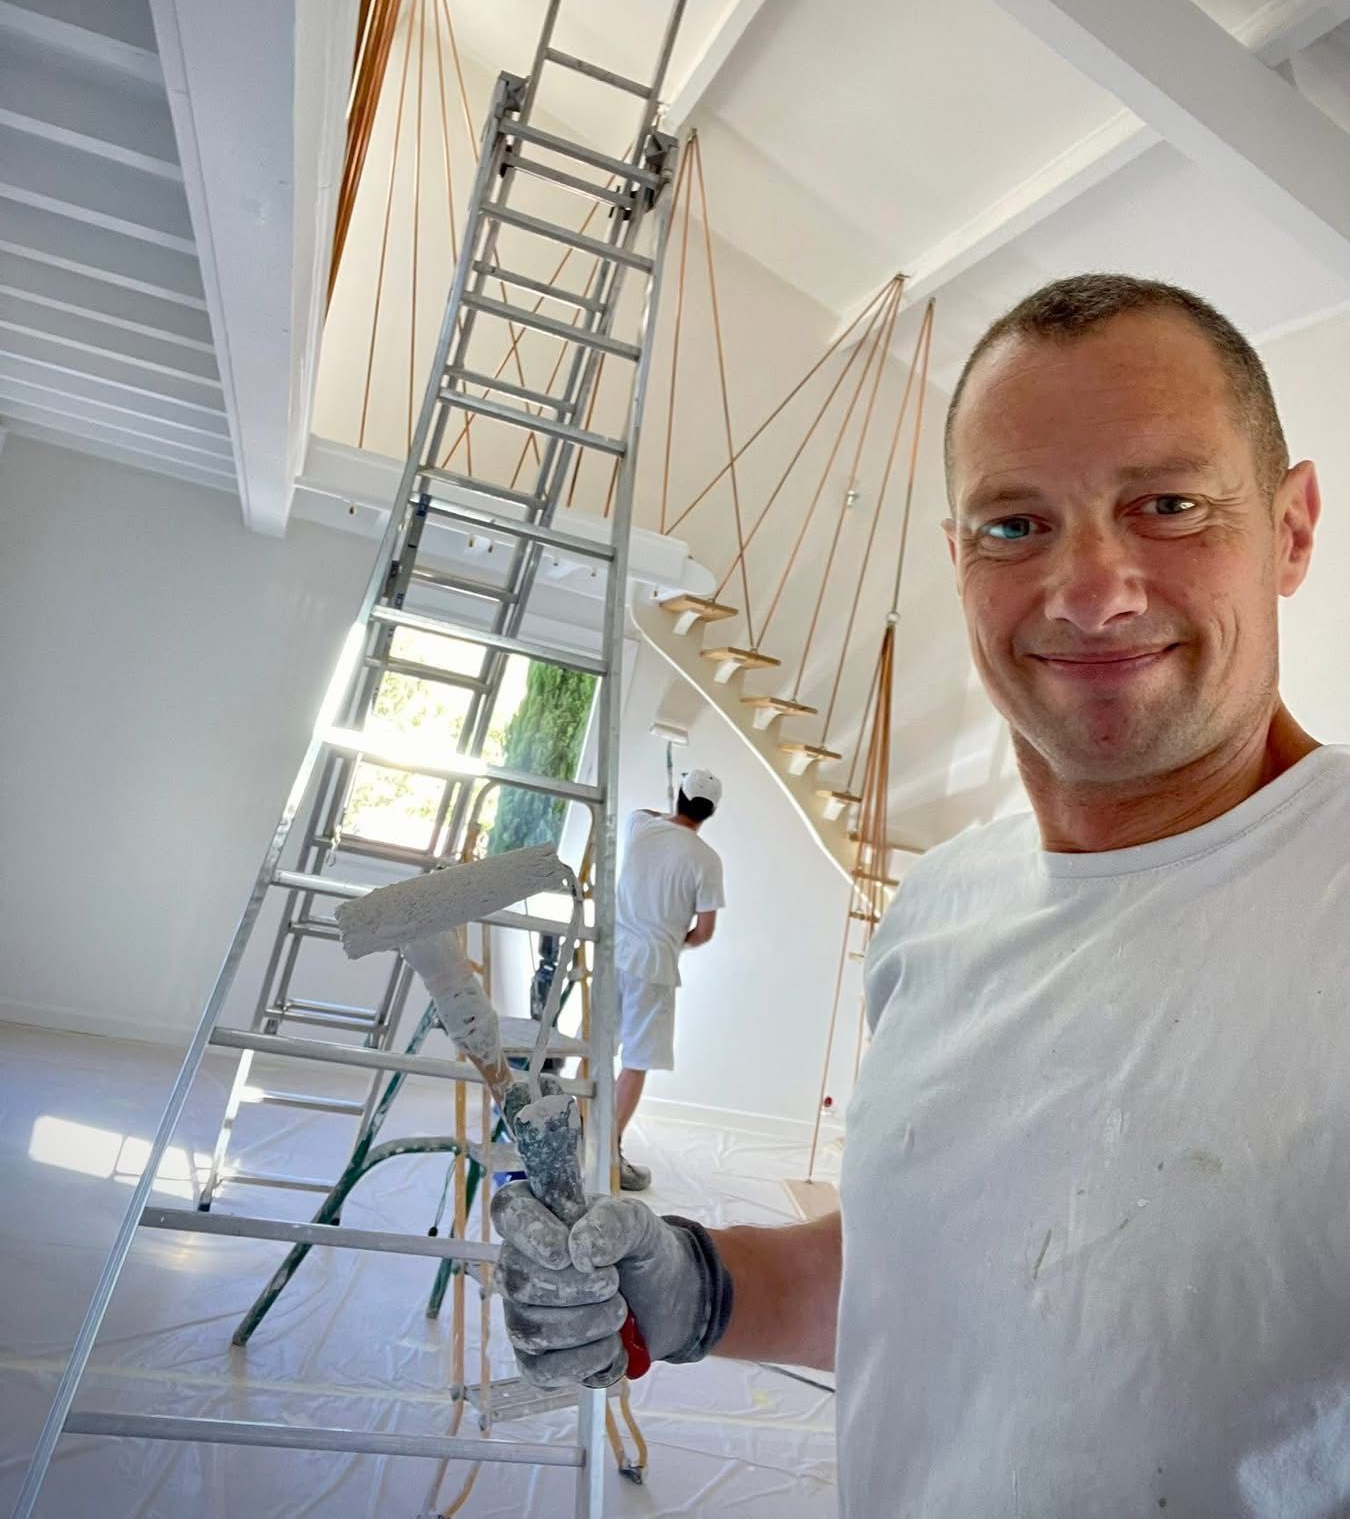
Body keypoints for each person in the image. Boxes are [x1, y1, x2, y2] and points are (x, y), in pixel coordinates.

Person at [492, 273, 1347, 1516]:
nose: (1092, 588)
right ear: (958, 562)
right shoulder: (937, 914)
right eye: (1016, 525)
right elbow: (927, 1276)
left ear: (1293, 528)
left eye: (1169, 505)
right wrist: (699, 1286)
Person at [609, 767, 725, 1191]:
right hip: (654, 964)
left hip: (611, 952)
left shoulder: (640, 826)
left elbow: (644, 810)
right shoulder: (707, 861)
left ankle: (573, 1135)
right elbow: (705, 931)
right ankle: (607, 1153)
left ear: (678, 796)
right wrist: (679, 940)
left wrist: (668, 813)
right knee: (635, 1062)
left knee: (597, 1047)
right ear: (711, 812)